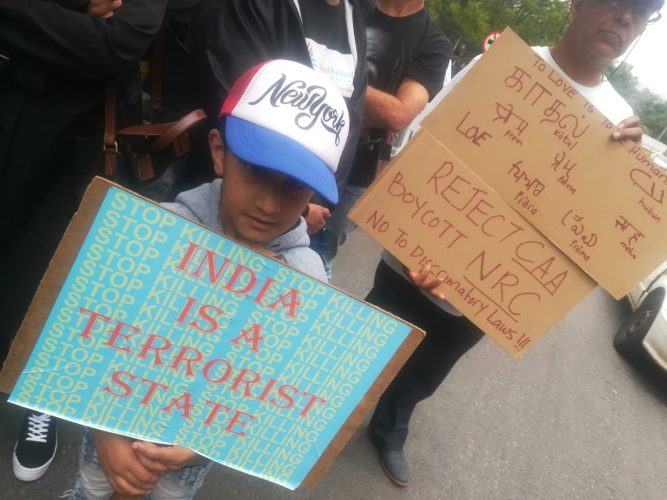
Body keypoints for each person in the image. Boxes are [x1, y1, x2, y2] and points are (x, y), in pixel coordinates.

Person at [363, 0, 660, 487]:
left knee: (431, 366)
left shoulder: (621, 122)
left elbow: (595, 232)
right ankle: (322, 410)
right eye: (615, 3)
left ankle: (390, 427)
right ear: (576, 5)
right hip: (418, 250)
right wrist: (416, 237)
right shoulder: (505, 63)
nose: (626, 19)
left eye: (641, 14)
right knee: (365, 343)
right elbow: (426, 133)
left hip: (493, 288)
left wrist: (626, 172)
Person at [69, 58, 349, 499]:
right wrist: (104, 432)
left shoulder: (305, 279)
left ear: (313, 191)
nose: (269, 204)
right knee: (92, 488)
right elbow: (93, 329)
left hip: (192, 451)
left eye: (294, 185)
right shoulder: (157, 230)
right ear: (219, 152)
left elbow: (278, 388)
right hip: (110, 415)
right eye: (256, 170)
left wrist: (203, 444)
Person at [0, 0, 168, 482]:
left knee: (48, 275)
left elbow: (116, 45)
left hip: (79, 140)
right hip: (9, 105)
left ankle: (40, 400)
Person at [183, 0, 369, 210]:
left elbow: (348, 122)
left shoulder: (354, 14)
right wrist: (303, 210)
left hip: (302, 205)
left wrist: (318, 200)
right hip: (224, 199)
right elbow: (234, 102)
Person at [309, 0, 450, 276]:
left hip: (357, 173)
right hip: (304, 145)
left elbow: (398, 114)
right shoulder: (350, 7)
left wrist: (327, 73)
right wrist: (369, 104)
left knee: (320, 252)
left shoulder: (433, 42)